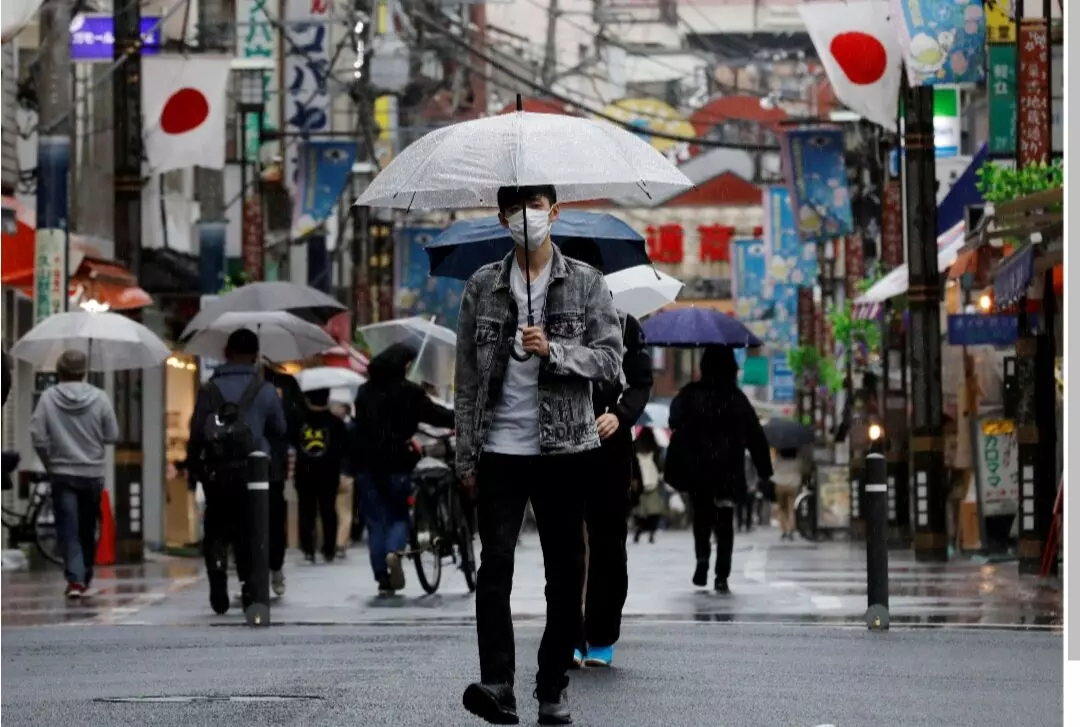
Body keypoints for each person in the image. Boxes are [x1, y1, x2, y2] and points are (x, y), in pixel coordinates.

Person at [456, 185, 623, 726]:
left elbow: (610, 364)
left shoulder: (586, 282)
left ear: (554, 212)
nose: (526, 218)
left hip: (565, 449)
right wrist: (465, 458)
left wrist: (554, 351)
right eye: (515, 208)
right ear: (501, 216)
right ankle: (498, 684)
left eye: (536, 207)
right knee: (495, 565)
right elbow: (464, 383)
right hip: (499, 449)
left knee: (565, 573)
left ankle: (552, 684)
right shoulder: (482, 287)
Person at [564, 238, 652, 670]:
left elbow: (640, 383)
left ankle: (600, 634)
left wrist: (620, 415)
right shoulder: (545, 323)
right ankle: (567, 632)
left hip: (609, 444)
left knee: (607, 542)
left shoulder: (625, 323)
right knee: (564, 543)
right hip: (559, 443)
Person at [187, 329, 286, 614]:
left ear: (226, 353)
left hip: (217, 473)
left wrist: (194, 469)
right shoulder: (264, 389)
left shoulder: (208, 390)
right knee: (250, 530)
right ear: (256, 355)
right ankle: (248, 584)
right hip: (254, 474)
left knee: (216, 528)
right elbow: (280, 430)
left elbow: (196, 433)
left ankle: (217, 575)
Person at [666, 346, 773, 594]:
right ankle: (721, 575)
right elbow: (755, 436)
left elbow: (673, 421)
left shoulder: (689, 394)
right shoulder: (736, 399)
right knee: (725, 522)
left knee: (701, 517)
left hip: (698, 470)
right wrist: (764, 471)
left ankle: (702, 559)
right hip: (728, 471)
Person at [352, 342, 454, 593]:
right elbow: (436, 415)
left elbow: (360, 426)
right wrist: (460, 418)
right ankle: (394, 553)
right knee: (399, 515)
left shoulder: (364, 392)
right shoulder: (410, 393)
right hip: (398, 462)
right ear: (405, 365)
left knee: (375, 521)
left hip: (366, 464)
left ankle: (382, 577)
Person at [29, 350, 118, 598]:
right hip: (91, 474)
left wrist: (49, 461)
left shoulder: (47, 398)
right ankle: (84, 575)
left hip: (61, 472)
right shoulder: (100, 398)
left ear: (59, 370)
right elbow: (112, 434)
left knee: (68, 528)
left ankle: (76, 580)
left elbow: (37, 434)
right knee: (88, 527)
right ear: (84, 371)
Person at [293, 388, 348, 563]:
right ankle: (329, 549)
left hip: (304, 472)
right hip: (329, 472)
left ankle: (308, 548)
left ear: (308, 400)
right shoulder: (336, 423)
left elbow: (292, 441)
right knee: (328, 510)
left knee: (306, 510)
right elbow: (344, 448)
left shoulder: (298, 421)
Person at [263, 364, 304, 596]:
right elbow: (294, 423)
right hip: (272, 463)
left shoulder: (284, 385)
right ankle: (269, 569)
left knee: (267, 518)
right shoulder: (285, 385)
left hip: (261, 463)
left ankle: (271, 567)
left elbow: (292, 423)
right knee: (273, 518)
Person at [631, 428, 666, 545]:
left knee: (641, 511)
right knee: (654, 511)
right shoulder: (655, 450)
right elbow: (659, 466)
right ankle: (651, 531)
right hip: (653, 483)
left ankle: (639, 530)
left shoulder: (635, 448)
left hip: (640, 484)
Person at [773, 446, 810, 540]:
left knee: (782, 509)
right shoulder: (798, 459)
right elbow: (803, 469)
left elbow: (774, 469)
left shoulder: (778, 459)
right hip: (793, 485)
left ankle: (784, 530)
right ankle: (790, 530)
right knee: (792, 508)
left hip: (780, 485)